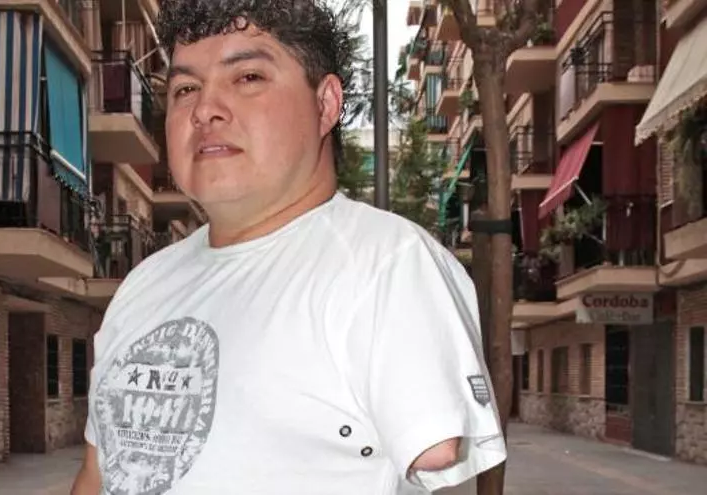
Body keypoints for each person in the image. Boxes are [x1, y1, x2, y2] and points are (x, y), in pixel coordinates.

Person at [72, 0, 506, 493]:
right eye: (185, 89)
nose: (205, 109)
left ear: (326, 104)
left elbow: (438, 456)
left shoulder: (386, 265)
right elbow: (96, 474)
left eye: (248, 77)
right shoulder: (144, 285)